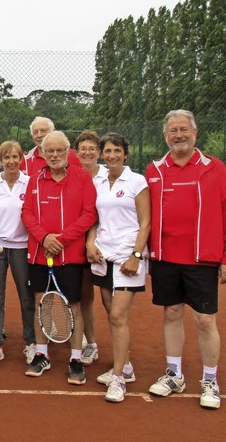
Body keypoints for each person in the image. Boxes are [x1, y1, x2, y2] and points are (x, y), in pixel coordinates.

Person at [146, 109, 226, 410]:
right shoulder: (154, 170)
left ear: (195, 132)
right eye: (172, 131)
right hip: (166, 257)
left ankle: (209, 380)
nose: (178, 135)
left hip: (202, 258)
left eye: (183, 130)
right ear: (165, 135)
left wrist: (224, 257)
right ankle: (174, 374)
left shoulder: (216, 168)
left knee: (205, 320)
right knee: (171, 314)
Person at [21, 131, 97, 385]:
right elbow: (27, 213)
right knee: (40, 303)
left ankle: (76, 358)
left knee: (73, 305)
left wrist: (61, 239)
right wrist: (44, 238)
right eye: (49, 151)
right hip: (39, 254)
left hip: (71, 256)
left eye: (59, 151)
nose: (54, 155)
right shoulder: (34, 179)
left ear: (68, 152)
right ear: (42, 154)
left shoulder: (83, 178)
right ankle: (41, 354)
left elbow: (89, 214)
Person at [85, 133, 150, 403]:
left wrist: (136, 255)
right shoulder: (97, 182)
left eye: (117, 151)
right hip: (103, 257)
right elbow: (94, 219)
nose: (112, 155)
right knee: (112, 312)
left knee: (118, 316)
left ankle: (119, 378)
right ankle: (126, 366)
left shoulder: (137, 181)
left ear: (126, 153)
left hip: (128, 258)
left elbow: (145, 222)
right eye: (108, 151)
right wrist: (90, 243)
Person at [0, 141, 35, 367]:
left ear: (21, 159)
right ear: (0, 161)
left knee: (26, 295)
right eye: (6, 157)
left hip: (22, 246)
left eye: (15, 157)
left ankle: (31, 343)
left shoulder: (30, 183)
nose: (11, 161)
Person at [74, 130, 106, 367]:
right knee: (84, 296)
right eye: (83, 148)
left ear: (99, 153)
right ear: (76, 152)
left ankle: (123, 361)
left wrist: (92, 241)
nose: (87, 152)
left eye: (92, 148)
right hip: (77, 245)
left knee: (109, 301)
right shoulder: (71, 175)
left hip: (105, 247)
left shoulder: (108, 176)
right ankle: (90, 343)